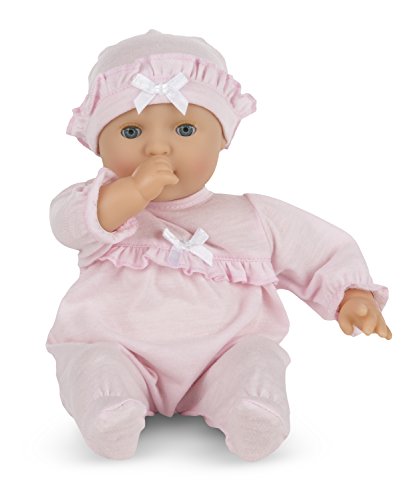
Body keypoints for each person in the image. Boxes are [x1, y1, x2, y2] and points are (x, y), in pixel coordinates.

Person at [46, 29, 391, 461]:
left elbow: (317, 249)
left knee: (255, 356)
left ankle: (252, 408)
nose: (157, 147)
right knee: (95, 363)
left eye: (185, 129)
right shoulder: (96, 207)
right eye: (131, 131)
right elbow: (67, 225)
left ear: (223, 138)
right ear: (98, 145)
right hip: (119, 347)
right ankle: (109, 409)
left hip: (221, 356)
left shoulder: (252, 216)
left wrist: (352, 294)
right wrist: (131, 192)